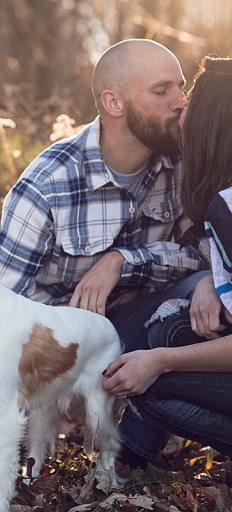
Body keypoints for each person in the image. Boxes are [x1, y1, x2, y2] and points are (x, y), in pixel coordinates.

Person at [0, 39, 214, 468]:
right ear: (114, 103)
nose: (181, 102)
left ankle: (132, 448)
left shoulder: (184, 164)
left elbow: (202, 251)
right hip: (47, 347)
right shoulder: (48, 184)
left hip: (134, 326)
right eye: (162, 91)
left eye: (181, 87)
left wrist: (120, 262)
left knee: (204, 289)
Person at [102, 56, 232, 456]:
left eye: (188, 97)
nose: (179, 105)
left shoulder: (227, 205)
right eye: (166, 92)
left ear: (209, 117)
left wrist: (160, 361)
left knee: (149, 382)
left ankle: (128, 460)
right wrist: (212, 279)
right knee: (169, 329)